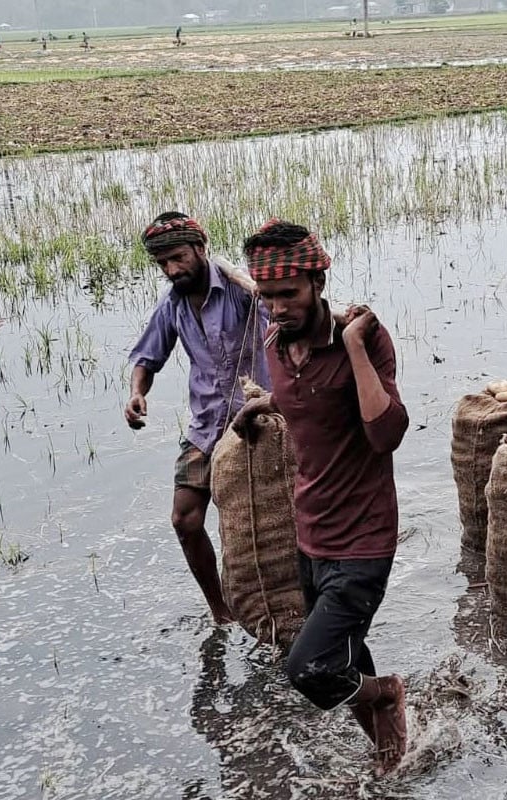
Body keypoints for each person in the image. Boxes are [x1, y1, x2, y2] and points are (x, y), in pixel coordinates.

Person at [232, 220, 409, 774]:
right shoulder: (274, 345)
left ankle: (385, 694)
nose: (279, 307)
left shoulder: (365, 337)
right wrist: (264, 406)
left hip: (364, 540)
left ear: (316, 283)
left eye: (290, 294)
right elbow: (312, 409)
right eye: (268, 297)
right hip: (310, 536)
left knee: (307, 669)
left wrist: (354, 347)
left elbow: (386, 434)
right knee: (344, 651)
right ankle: (388, 750)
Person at [125, 212, 270, 625]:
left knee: (265, 522)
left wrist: (261, 294)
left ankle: (279, 601)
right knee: (185, 519)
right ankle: (221, 612)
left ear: (201, 250)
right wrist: (137, 392)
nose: (172, 269)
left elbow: (282, 327)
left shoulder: (243, 292)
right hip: (207, 426)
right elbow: (146, 357)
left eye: (178, 258)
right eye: (163, 263)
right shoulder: (172, 305)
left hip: (257, 420)